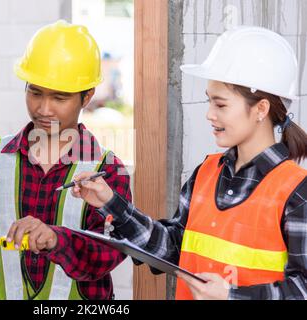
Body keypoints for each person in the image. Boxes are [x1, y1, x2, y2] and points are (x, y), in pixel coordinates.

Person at [71, 26, 307, 300]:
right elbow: (172, 248)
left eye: (221, 105)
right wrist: (110, 202)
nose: (209, 114)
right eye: (209, 102)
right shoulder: (206, 172)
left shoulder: (296, 191)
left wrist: (231, 296)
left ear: (261, 109)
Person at [0, 20, 132, 300]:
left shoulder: (107, 171)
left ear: (87, 97)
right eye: (35, 92)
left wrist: (56, 239)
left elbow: (110, 252)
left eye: (60, 97)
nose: (43, 108)